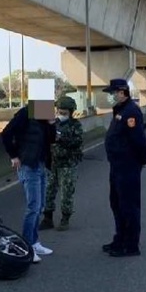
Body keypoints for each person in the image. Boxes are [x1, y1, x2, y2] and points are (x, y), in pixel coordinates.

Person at [0, 102, 57, 263]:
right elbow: (6, 134)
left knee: (40, 206)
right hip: (28, 164)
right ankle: (27, 246)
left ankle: (35, 242)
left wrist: (51, 124)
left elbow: (51, 140)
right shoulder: (25, 113)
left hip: (41, 164)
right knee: (33, 206)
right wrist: (13, 156)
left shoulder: (44, 115)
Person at [102, 78, 146, 257]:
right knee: (116, 203)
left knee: (128, 205)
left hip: (128, 165)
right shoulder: (120, 110)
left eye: (112, 93)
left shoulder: (131, 112)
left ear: (122, 92)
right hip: (117, 165)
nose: (111, 96)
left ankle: (130, 245)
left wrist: (143, 159)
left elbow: (139, 140)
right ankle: (120, 238)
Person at [40, 96, 84, 232]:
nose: (61, 114)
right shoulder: (53, 123)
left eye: (65, 112)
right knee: (48, 191)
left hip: (67, 165)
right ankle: (47, 218)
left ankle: (65, 219)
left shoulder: (75, 126)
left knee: (66, 193)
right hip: (52, 164)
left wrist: (61, 138)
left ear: (71, 112)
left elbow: (77, 142)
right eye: (60, 111)